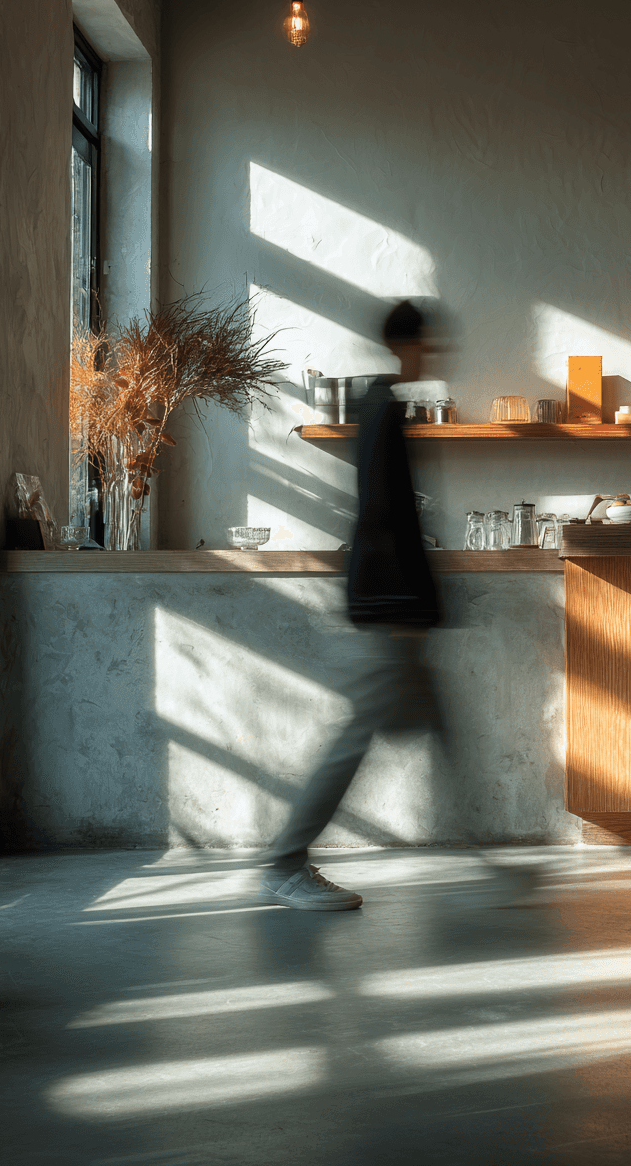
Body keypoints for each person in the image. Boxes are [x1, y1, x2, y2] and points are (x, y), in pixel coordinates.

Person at [261, 300, 444, 911]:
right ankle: (286, 864)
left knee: (442, 726)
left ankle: (493, 867)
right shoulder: (384, 411)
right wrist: (407, 609)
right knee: (355, 738)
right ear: (409, 346)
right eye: (431, 344)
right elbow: (385, 517)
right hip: (387, 604)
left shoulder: (381, 406)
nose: (437, 355)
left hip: (388, 601)